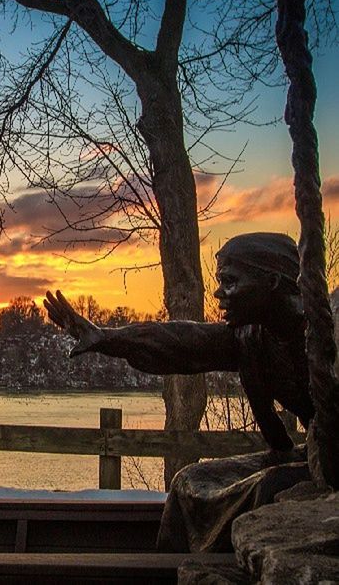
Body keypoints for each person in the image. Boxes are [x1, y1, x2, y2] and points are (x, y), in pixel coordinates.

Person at [44, 232, 315, 551]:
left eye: (230, 281)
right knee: (189, 482)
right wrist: (106, 337)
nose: (218, 293)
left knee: (267, 487)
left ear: (271, 281)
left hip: (328, 464)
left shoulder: (325, 332)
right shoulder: (250, 337)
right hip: (311, 459)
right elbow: (180, 341)